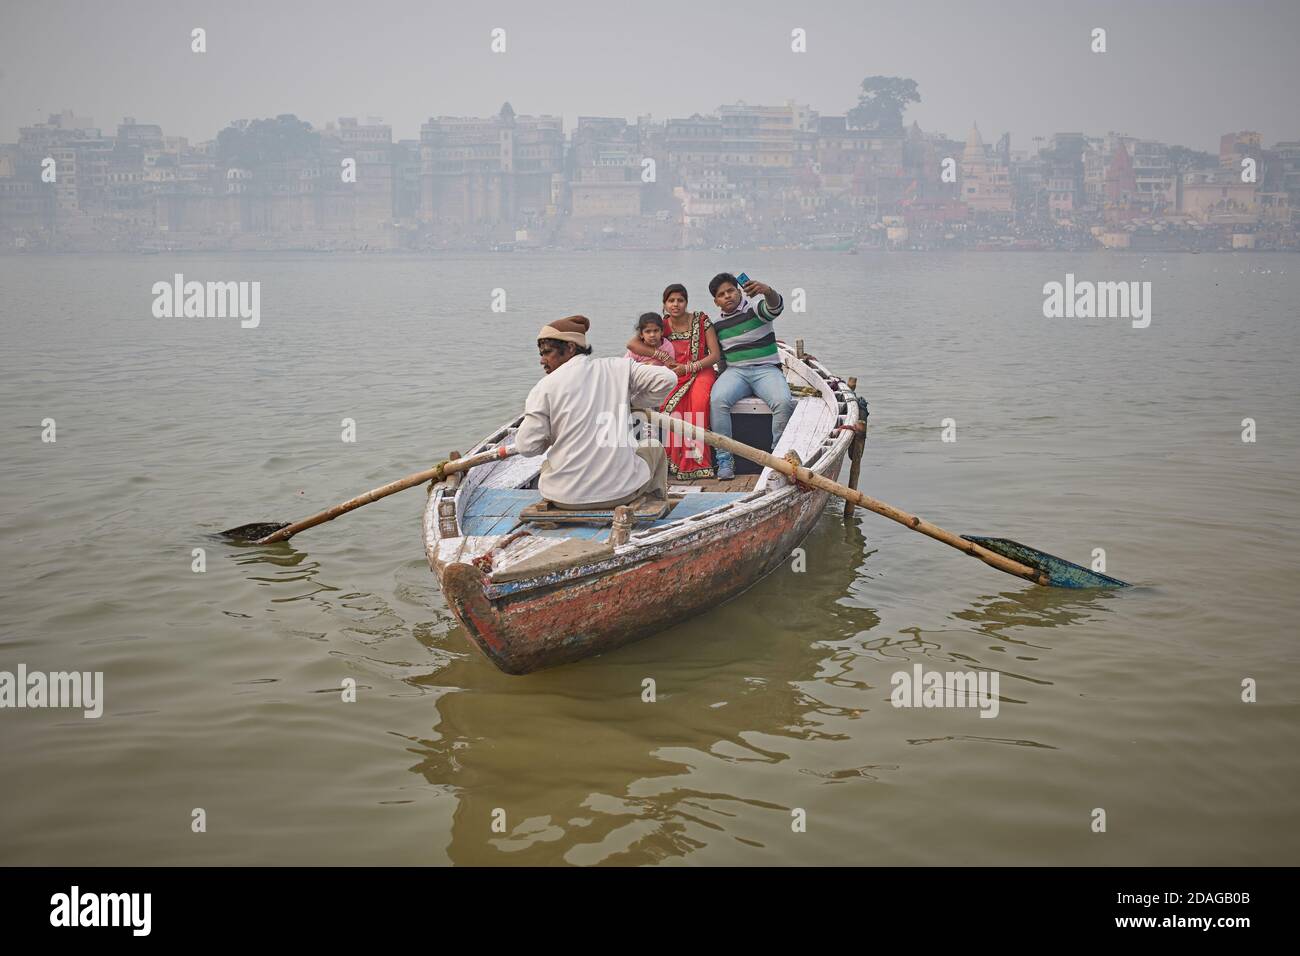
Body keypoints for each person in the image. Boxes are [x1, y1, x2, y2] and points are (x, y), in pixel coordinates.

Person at [515, 315, 677, 510]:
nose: (542, 360)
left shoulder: (543, 388)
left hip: (565, 499)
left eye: (547, 352)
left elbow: (527, 447)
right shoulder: (618, 367)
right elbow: (668, 379)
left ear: (570, 348)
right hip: (621, 494)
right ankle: (655, 506)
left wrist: (552, 434)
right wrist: (631, 401)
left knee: (547, 466)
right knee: (653, 447)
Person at [625, 283, 722, 480]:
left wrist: (689, 367)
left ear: (686, 302)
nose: (675, 304)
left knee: (699, 405)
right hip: (674, 374)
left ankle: (697, 462)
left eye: (680, 300)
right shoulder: (661, 325)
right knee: (672, 408)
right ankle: (675, 463)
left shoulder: (701, 320)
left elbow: (715, 355)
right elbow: (632, 344)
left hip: (701, 370)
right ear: (664, 304)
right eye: (671, 301)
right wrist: (659, 354)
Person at [707, 273, 795, 480]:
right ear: (716, 301)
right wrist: (720, 376)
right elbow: (721, 358)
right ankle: (724, 459)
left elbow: (775, 307)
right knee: (718, 400)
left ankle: (778, 459)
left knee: (783, 401)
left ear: (739, 291)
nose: (727, 296)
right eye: (721, 294)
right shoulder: (717, 324)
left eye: (730, 291)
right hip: (735, 372)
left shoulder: (755, 309)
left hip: (766, 370)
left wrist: (767, 291)